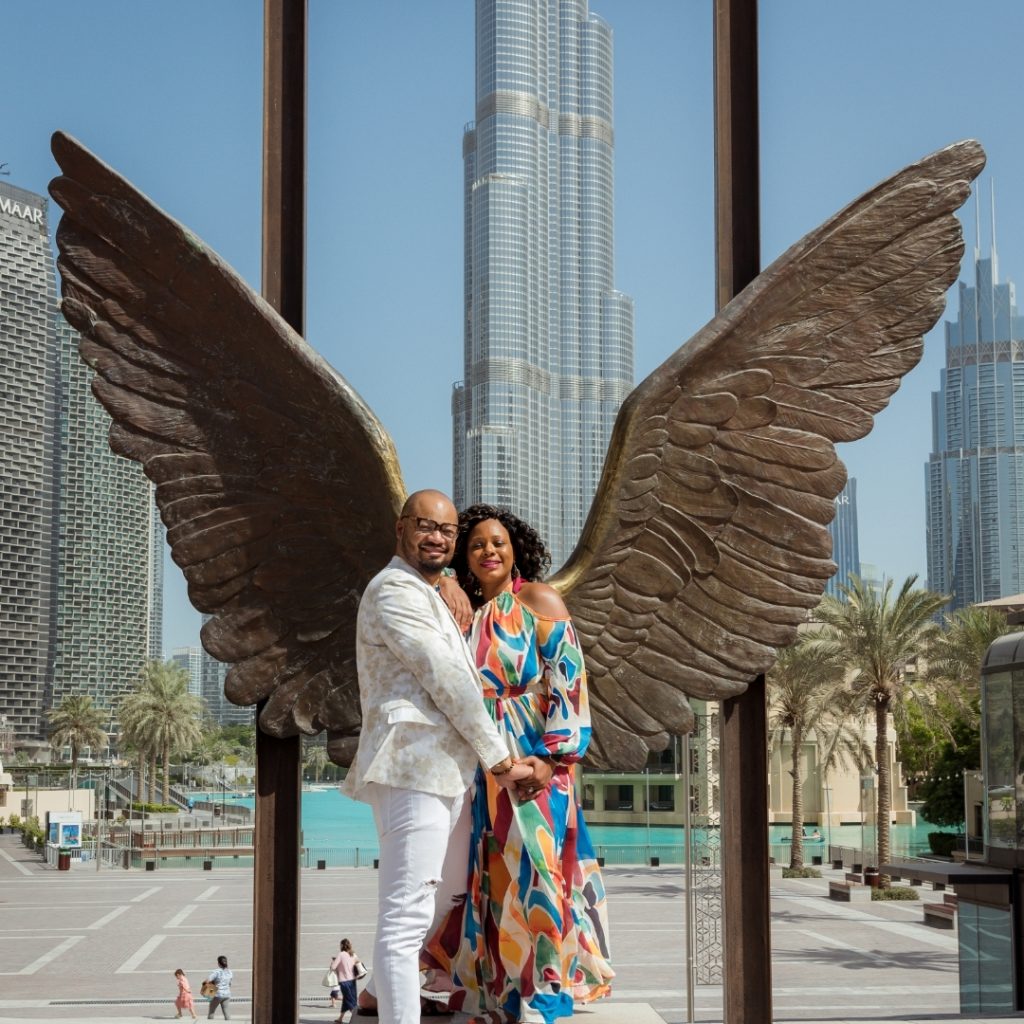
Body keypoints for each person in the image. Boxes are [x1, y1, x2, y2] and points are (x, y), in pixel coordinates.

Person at [341, 490, 535, 1024]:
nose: (438, 537)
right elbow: (445, 678)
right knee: (405, 915)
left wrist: (449, 579)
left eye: (447, 531)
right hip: (411, 766)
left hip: (448, 772)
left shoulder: (430, 589)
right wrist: (501, 761)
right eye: (425, 525)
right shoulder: (394, 592)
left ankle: (377, 992)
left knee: (447, 893)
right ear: (401, 528)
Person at [423, 504, 614, 1024]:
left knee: (540, 869)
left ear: (516, 550)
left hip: (534, 757)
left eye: (498, 542)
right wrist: (444, 582)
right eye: (476, 544)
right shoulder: (462, 613)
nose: (488, 550)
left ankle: (549, 990)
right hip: (479, 764)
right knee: (490, 875)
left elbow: (569, 680)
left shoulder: (538, 599)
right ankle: (498, 991)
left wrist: (553, 761)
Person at [329, 938, 361, 1022]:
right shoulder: (353, 954)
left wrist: (333, 962)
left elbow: (333, 967)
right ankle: (340, 1019)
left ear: (342, 945)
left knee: (350, 1001)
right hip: (353, 981)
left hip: (344, 982)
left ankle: (358, 1019)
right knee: (348, 999)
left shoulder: (341, 954)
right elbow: (358, 963)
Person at [205, 955, 232, 1020]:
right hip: (227, 994)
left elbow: (207, 980)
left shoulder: (217, 972)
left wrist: (209, 989)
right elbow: (230, 984)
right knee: (226, 1012)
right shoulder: (229, 972)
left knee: (211, 1012)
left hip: (217, 995)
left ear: (219, 963)